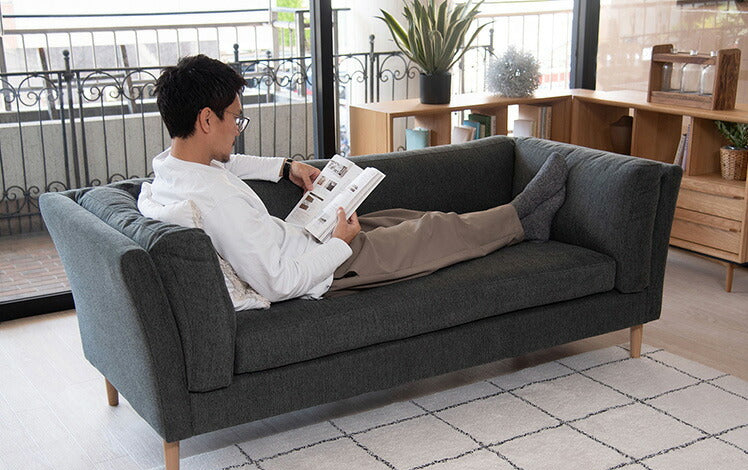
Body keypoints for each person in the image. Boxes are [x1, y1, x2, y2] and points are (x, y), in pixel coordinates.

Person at [142, 54, 568, 305]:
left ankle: (515, 221)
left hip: (306, 240)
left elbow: (229, 165)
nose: (238, 129)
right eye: (235, 118)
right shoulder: (218, 202)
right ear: (206, 119)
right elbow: (277, 283)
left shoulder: (173, 169)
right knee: (434, 231)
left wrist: (286, 167)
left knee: (403, 216)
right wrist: (339, 245)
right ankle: (522, 217)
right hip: (328, 270)